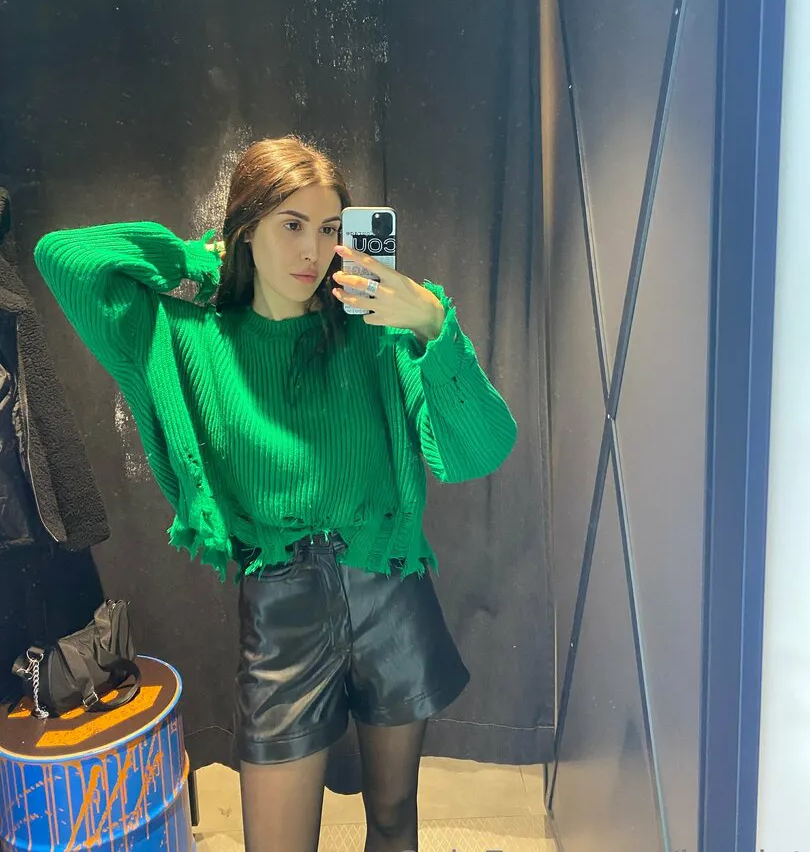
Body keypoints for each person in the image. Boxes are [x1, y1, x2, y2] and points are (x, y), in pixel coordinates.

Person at [33, 135, 517, 852]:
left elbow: (483, 449)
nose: (312, 251)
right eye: (290, 224)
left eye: (329, 228)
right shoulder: (190, 334)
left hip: (390, 588)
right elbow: (65, 257)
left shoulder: (377, 332)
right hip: (282, 607)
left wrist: (431, 324)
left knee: (393, 816)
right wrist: (201, 260)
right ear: (245, 228)